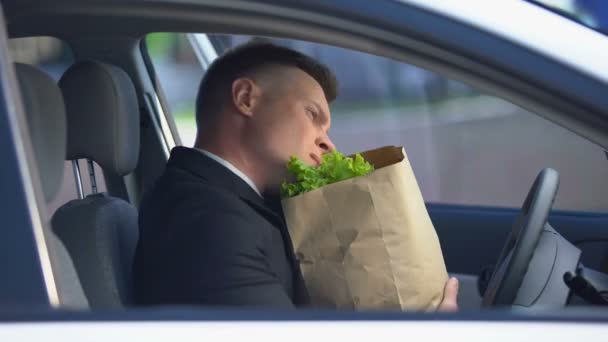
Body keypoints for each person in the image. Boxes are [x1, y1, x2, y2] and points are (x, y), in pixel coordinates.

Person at [132, 40, 459, 311]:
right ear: (246, 98)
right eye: (312, 115)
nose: (328, 142)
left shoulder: (232, 200)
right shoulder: (205, 220)